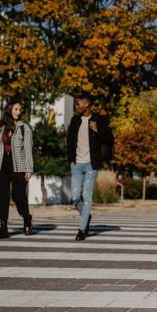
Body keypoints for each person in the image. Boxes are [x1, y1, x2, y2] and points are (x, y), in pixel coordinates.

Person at [66, 94, 114, 241]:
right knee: (75, 197)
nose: (76, 106)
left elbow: (110, 140)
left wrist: (97, 130)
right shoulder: (75, 120)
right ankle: (86, 216)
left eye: (78, 104)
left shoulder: (99, 120)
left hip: (91, 165)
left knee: (87, 197)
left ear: (86, 104)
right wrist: (71, 159)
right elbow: (69, 141)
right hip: (76, 164)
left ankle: (82, 229)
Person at [0, 101, 34, 239]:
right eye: (16, 109)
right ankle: (3, 228)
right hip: (2, 164)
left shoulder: (25, 128)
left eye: (20, 109)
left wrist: (29, 169)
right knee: (1, 195)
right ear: (9, 110)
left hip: (19, 165)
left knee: (18, 195)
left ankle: (26, 218)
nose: (19, 112)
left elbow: (28, 150)